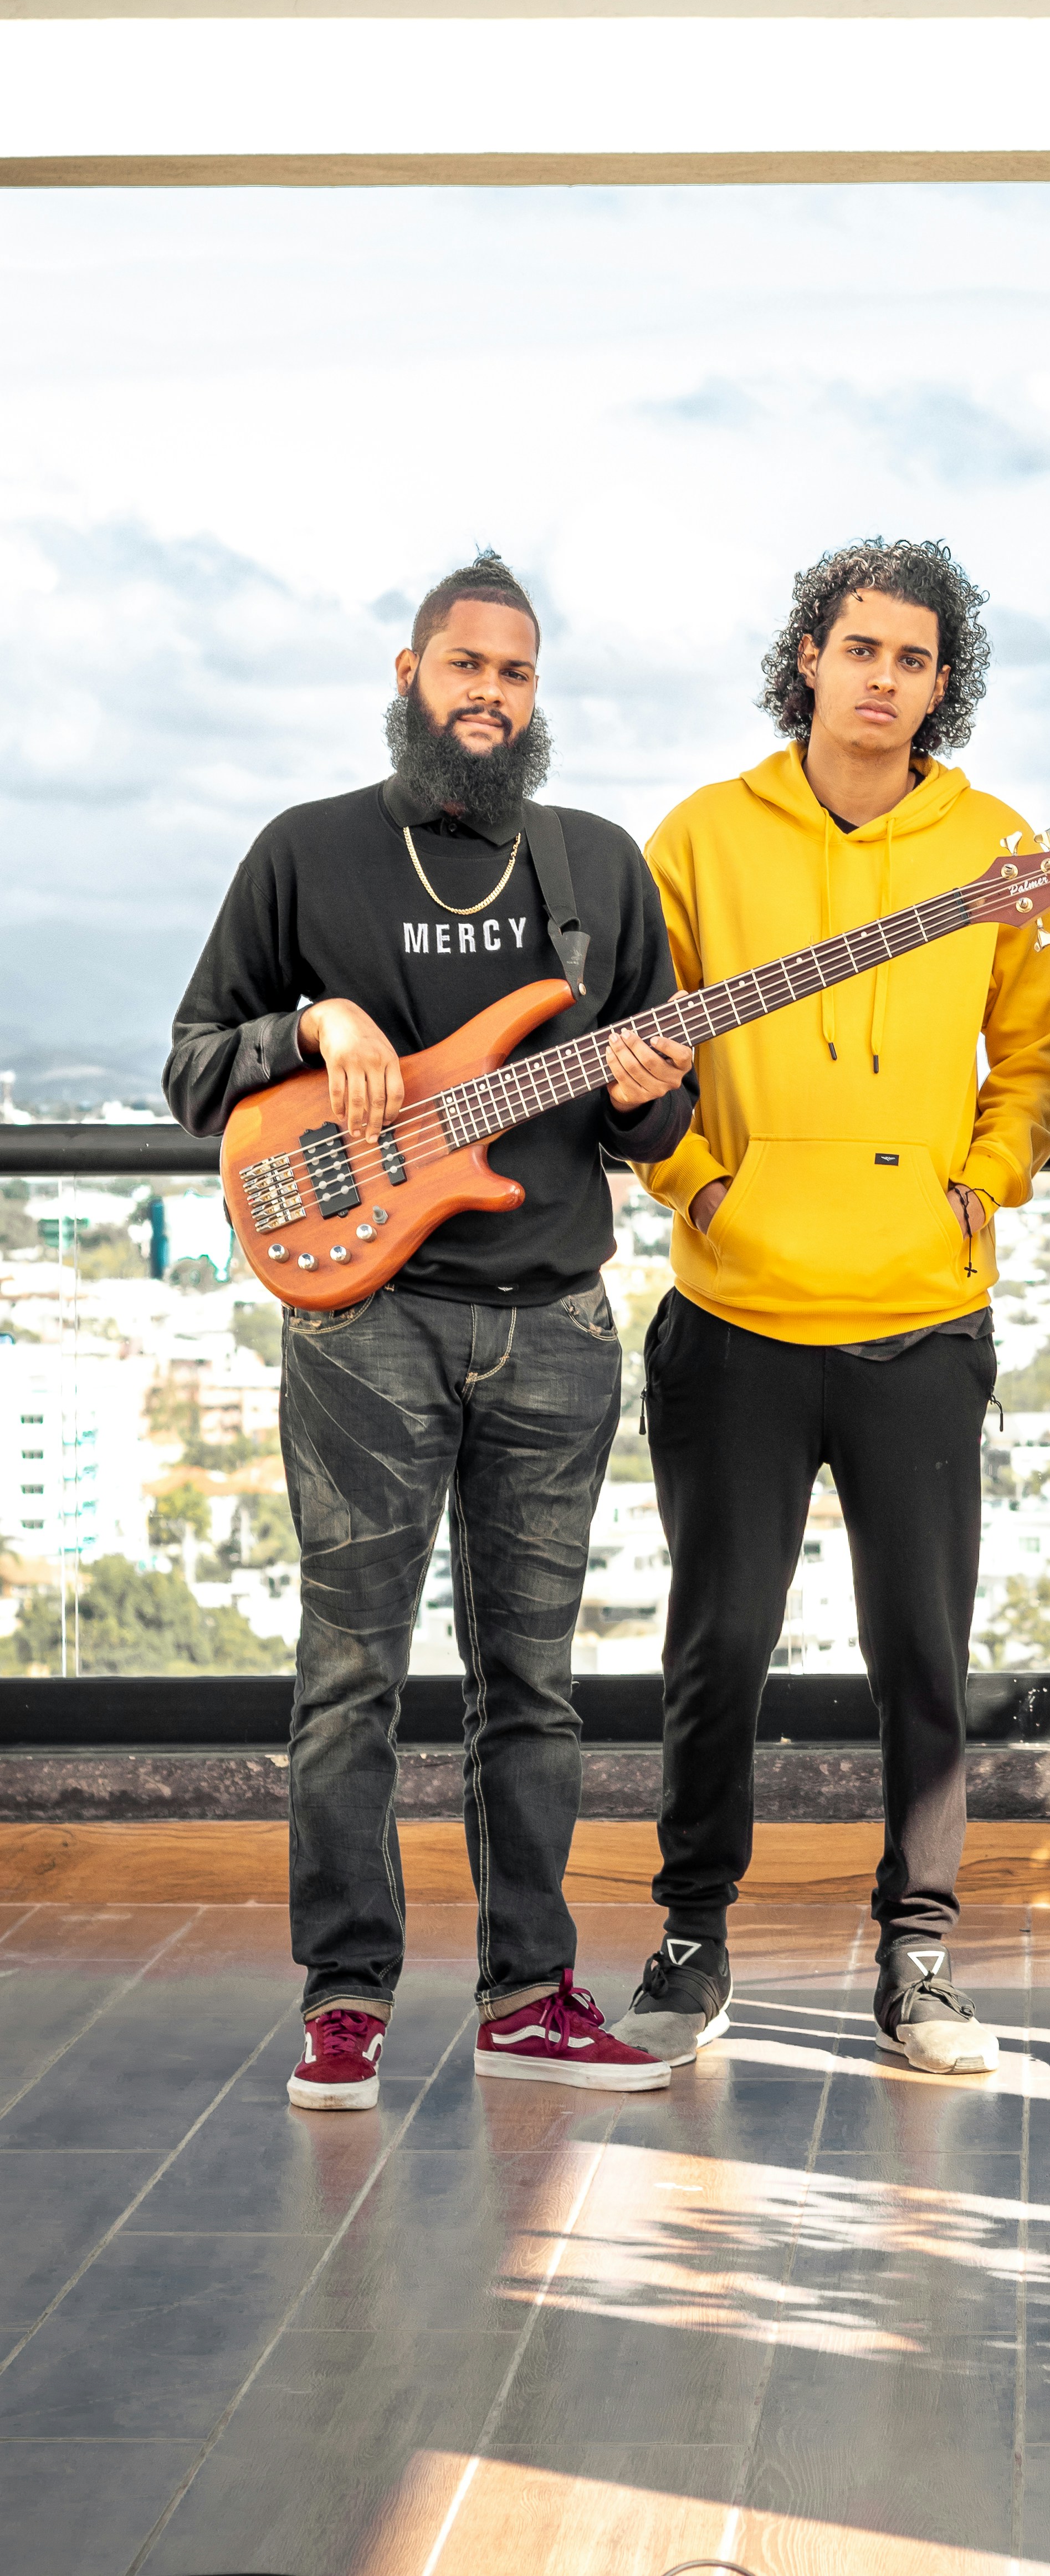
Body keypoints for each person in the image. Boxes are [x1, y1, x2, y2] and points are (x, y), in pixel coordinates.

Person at [166, 550, 695, 2110]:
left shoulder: (594, 869)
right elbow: (198, 1068)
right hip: (366, 1320)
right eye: (464, 667)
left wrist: (657, 1098)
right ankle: (344, 2000)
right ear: (411, 677)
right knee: (350, 1677)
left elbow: (649, 1131)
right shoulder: (308, 852)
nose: (489, 695)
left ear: (539, 699)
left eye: (516, 675)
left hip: (553, 1325)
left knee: (529, 1683)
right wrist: (311, 1028)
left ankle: (530, 1993)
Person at [622, 537, 1050, 2076]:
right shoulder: (697, 837)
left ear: (946, 684)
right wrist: (697, 1182)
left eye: (916, 657)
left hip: (918, 1321)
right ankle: (692, 1938)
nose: (885, 678)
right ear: (807, 655)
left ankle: (921, 1957)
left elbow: (1039, 1053)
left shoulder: (999, 847)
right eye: (861, 647)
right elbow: (638, 1050)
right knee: (718, 1646)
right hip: (735, 1315)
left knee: (922, 1655)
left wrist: (992, 1175)